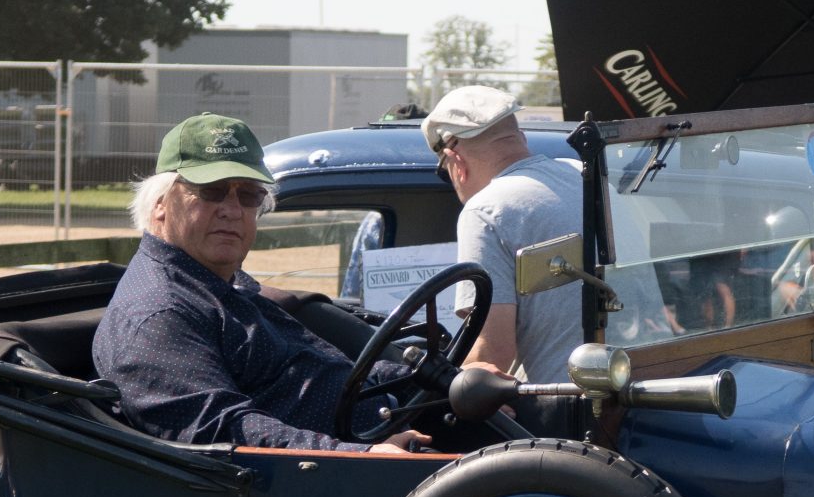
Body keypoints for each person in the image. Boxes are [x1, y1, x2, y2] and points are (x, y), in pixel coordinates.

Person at [92, 114, 429, 454]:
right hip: (326, 484)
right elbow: (220, 430)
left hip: (385, 438)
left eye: (249, 195)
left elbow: (325, 370)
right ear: (160, 205)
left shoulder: (222, 288)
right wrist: (363, 455)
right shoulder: (160, 311)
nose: (232, 210)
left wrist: (426, 376)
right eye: (212, 191)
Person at [424, 85, 584, 381]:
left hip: (568, 408)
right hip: (645, 385)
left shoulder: (485, 209)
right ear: (520, 138)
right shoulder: (580, 172)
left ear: (456, 162)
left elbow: (491, 357)